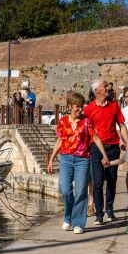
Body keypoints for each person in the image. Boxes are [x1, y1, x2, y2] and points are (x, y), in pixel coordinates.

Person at [47, 91, 110, 234]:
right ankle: (68, 216)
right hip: (66, 159)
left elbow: (96, 138)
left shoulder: (87, 121)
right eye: (77, 107)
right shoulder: (63, 121)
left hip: (83, 159)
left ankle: (78, 223)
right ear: (70, 106)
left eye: (81, 107)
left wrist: (104, 155)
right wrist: (51, 159)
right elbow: (59, 141)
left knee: (81, 191)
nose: (80, 110)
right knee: (65, 189)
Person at [84, 78, 128, 225]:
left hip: (113, 147)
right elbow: (85, 130)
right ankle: (99, 214)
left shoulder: (114, 106)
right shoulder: (88, 109)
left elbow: (122, 126)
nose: (108, 88)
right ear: (97, 90)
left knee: (112, 181)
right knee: (97, 183)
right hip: (96, 149)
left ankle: (109, 209)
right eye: (105, 86)